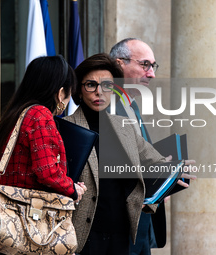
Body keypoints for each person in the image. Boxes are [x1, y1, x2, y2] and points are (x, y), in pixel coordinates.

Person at [64, 53, 166, 255]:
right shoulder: (66, 129)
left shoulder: (124, 127)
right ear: (79, 90)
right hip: (79, 235)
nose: (99, 92)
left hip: (121, 233)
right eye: (91, 85)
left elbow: (157, 164)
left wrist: (173, 176)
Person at [0, 55, 87, 255]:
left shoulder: (15, 114)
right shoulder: (40, 115)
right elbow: (47, 172)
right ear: (60, 93)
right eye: (69, 94)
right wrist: (73, 189)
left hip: (8, 226)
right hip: (33, 227)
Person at [110, 38, 196, 255]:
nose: (152, 73)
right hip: (119, 227)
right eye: (144, 64)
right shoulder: (105, 105)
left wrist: (164, 180)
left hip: (142, 226)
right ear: (120, 64)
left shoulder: (131, 105)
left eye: (153, 66)